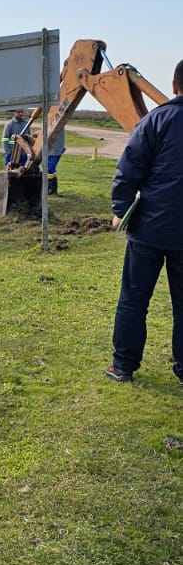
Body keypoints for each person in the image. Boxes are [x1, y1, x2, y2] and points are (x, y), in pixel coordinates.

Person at [106, 59, 183, 385]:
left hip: (148, 230)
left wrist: (121, 211)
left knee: (134, 300)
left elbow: (128, 170)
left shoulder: (156, 120)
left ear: (174, 86)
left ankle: (123, 365)